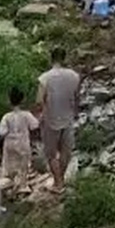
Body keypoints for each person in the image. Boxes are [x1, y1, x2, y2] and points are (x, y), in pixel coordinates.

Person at [37, 50, 81, 192]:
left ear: (51, 59)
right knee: (65, 152)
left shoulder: (45, 78)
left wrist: (42, 115)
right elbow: (77, 98)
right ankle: (60, 179)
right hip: (68, 118)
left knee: (51, 154)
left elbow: (39, 100)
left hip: (50, 119)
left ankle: (58, 183)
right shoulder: (74, 76)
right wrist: (75, 112)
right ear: (64, 58)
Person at [0, 88, 39, 185]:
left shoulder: (6, 116)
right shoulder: (26, 115)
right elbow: (35, 126)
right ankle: (22, 185)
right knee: (23, 167)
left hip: (9, 144)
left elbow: (2, 132)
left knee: (9, 166)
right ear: (23, 100)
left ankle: (9, 185)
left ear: (9, 101)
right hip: (23, 142)